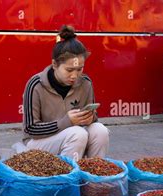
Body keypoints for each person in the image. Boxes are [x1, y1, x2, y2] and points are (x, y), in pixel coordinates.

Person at [21, 25, 109, 159]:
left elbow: (93, 122)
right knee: (77, 134)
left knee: (100, 130)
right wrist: (66, 121)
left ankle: (93, 177)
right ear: (54, 64)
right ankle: (68, 178)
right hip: (38, 143)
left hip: (74, 139)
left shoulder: (85, 83)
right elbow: (30, 129)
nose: (75, 75)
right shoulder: (35, 84)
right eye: (69, 70)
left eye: (79, 69)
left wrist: (90, 118)